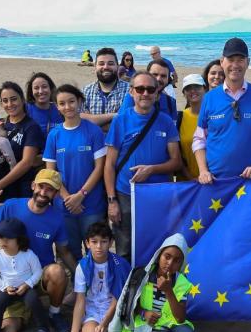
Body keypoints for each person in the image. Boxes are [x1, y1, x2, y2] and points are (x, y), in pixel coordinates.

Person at [0, 170, 77, 332]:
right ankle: (27, 311)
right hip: (13, 280)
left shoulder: (57, 218)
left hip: (39, 276)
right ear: (33, 186)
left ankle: (54, 313)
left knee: (57, 272)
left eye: (50, 189)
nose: (43, 193)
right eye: (41, 187)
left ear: (56, 193)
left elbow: (64, 251)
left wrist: (80, 274)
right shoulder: (11, 206)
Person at [104, 72, 181, 260]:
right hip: (125, 194)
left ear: (157, 93)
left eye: (150, 89)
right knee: (124, 247)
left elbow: (176, 161)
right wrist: (112, 201)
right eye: (140, 89)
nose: (145, 93)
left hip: (156, 195)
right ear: (131, 92)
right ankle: (127, 287)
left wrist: (152, 169)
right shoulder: (120, 121)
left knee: (155, 243)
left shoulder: (166, 122)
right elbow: (109, 164)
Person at [115, 233, 198, 332]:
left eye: (177, 260)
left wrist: (168, 291)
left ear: (181, 264)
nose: (170, 263)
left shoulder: (182, 282)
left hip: (169, 325)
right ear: (159, 255)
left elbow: (180, 319)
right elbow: (128, 306)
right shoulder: (140, 275)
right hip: (143, 325)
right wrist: (144, 313)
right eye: (167, 256)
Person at [193, 37, 251, 183]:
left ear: (248, 62)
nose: (235, 65)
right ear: (222, 62)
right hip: (215, 181)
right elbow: (199, 139)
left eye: (240, 60)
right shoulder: (209, 98)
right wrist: (203, 171)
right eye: (231, 59)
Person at [44, 84, 107, 260]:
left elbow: (100, 167)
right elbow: (51, 173)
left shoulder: (93, 130)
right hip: (64, 206)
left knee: (95, 250)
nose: (67, 107)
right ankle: (77, 285)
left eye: (71, 101)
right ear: (57, 107)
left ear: (79, 101)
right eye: (62, 103)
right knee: (70, 251)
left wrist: (81, 194)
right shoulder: (54, 135)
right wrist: (68, 198)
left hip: (91, 204)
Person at [64, 221, 130, 332]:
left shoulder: (119, 265)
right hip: (92, 310)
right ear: (87, 243)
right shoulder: (82, 266)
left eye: (104, 241)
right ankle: (83, 331)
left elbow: (118, 299)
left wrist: (104, 323)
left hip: (113, 310)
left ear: (111, 243)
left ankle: (105, 328)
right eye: (94, 242)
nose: (99, 246)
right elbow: (80, 301)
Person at [0, 219, 44, 332]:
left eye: (8, 238)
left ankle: (43, 328)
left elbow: (38, 272)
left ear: (19, 240)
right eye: (0, 238)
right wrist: (5, 287)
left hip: (26, 288)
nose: (3, 242)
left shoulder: (28, 255)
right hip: (8, 290)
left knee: (33, 300)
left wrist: (27, 284)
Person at [0, 81, 44, 198]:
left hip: (21, 186)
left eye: (14, 99)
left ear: (22, 99)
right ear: (1, 103)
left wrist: (1, 184)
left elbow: (27, 162)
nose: (10, 104)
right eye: (5, 101)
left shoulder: (31, 127)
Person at [81, 48, 131, 132]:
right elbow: (79, 120)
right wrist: (115, 115)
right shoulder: (85, 92)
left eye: (110, 63)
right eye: (101, 64)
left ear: (117, 66)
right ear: (95, 67)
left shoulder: (130, 90)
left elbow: (127, 123)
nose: (106, 67)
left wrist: (92, 120)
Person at [176, 73, 206, 180]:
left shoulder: (214, 116)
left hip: (212, 179)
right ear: (184, 93)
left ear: (205, 89)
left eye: (197, 87)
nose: (193, 91)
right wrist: (189, 177)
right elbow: (177, 153)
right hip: (186, 181)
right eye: (188, 88)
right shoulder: (180, 117)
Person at [27, 72, 64, 139]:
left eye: (44, 87)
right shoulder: (25, 109)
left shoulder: (60, 108)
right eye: (36, 88)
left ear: (51, 88)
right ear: (31, 91)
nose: (40, 91)